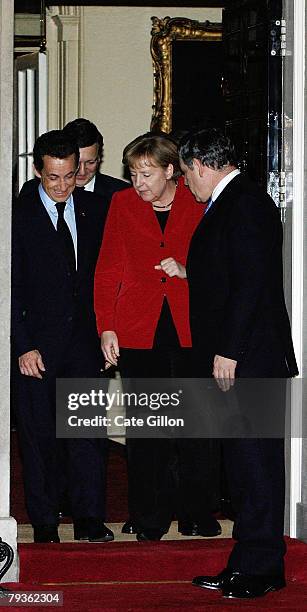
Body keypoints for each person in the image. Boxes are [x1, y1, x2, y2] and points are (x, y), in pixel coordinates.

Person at [179, 127, 298, 599]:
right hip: (240, 359)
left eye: (188, 175)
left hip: (250, 361)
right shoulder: (233, 202)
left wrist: (228, 351)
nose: (188, 185)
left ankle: (262, 568)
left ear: (202, 166)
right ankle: (246, 561)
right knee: (243, 467)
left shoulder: (245, 204)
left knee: (255, 466)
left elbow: (250, 285)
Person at [94, 131, 221, 541]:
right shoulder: (122, 204)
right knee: (147, 430)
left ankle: (197, 513)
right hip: (138, 330)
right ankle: (149, 518)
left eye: (146, 174)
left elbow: (221, 264)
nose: (138, 183)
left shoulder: (199, 200)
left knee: (196, 426)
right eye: (133, 174)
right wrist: (106, 326)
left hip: (191, 329)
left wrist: (187, 271)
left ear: (171, 170)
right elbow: (108, 268)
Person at [12, 130, 113, 544]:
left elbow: (107, 278)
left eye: (69, 176)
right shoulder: (18, 215)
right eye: (53, 177)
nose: (61, 186)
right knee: (39, 438)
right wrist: (22, 345)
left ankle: (89, 518)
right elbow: (9, 286)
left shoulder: (95, 209)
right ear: (38, 171)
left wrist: (109, 332)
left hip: (85, 344)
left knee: (87, 434)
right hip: (37, 345)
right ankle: (45, 523)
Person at [19, 118, 128, 205]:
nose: (82, 171)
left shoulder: (120, 194)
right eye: (77, 163)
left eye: (90, 162)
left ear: (99, 158)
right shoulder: (32, 190)